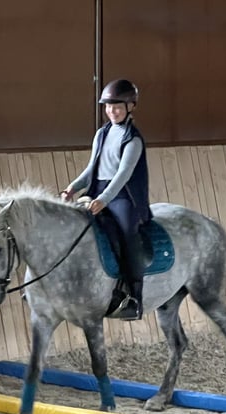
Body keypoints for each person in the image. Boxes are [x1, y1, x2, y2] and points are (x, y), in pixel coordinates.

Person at [61, 78, 151, 321]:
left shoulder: (133, 140)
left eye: (118, 107)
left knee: (127, 235)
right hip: (98, 189)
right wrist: (72, 187)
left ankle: (134, 297)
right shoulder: (102, 133)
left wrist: (103, 199)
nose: (112, 111)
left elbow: (123, 175)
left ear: (131, 106)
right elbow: (92, 168)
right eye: (108, 107)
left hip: (123, 197)